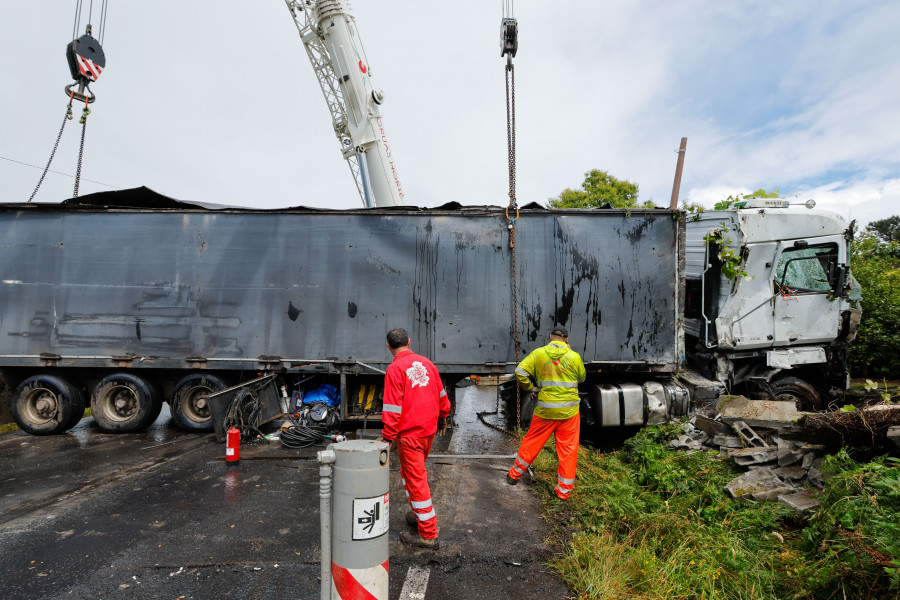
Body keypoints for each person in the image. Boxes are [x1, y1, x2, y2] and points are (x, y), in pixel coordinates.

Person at [378, 327, 450, 549]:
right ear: (409, 341)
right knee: (410, 475)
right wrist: (443, 416)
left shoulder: (394, 368)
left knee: (417, 481)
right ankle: (420, 514)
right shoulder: (427, 363)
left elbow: (392, 408)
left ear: (388, 346)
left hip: (410, 436)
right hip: (427, 432)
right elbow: (441, 395)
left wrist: (387, 439)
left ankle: (428, 534)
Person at [506, 325, 586, 499]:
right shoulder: (574, 356)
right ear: (566, 339)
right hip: (569, 412)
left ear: (550, 337)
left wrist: (532, 388)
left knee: (532, 442)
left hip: (546, 411)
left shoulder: (539, 353)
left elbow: (519, 372)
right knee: (568, 450)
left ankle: (513, 476)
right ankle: (563, 492)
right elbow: (581, 378)